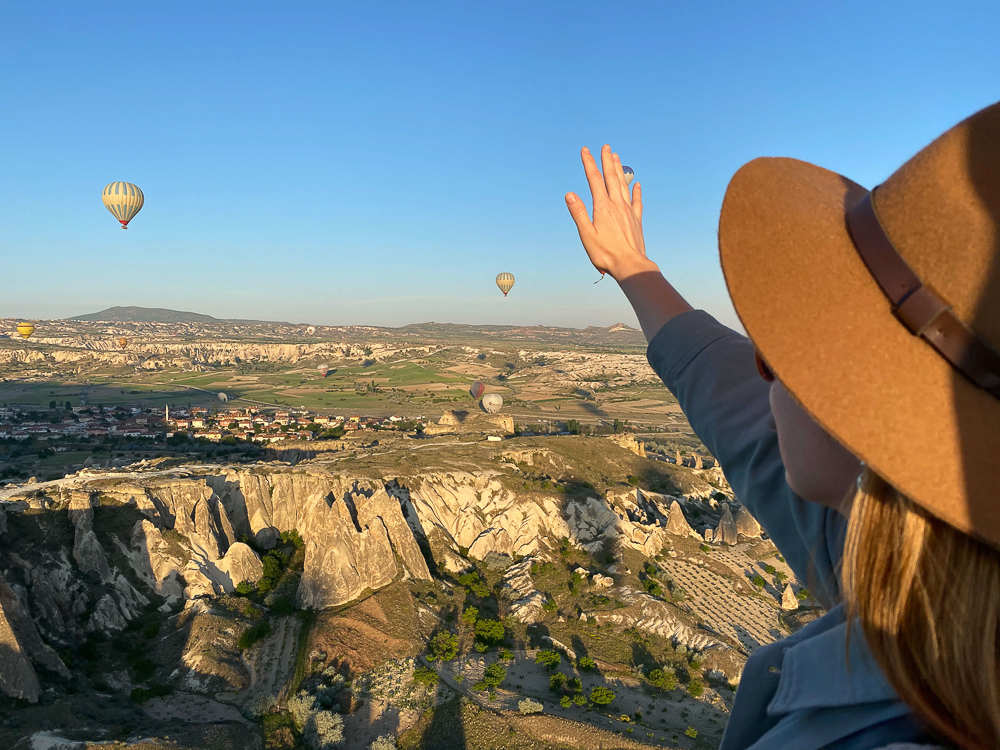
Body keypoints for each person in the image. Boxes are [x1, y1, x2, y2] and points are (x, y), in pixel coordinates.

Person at [565, 101, 1000, 750]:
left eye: (805, 352)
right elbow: (737, 407)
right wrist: (633, 267)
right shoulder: (911, 562)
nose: (765, 367)